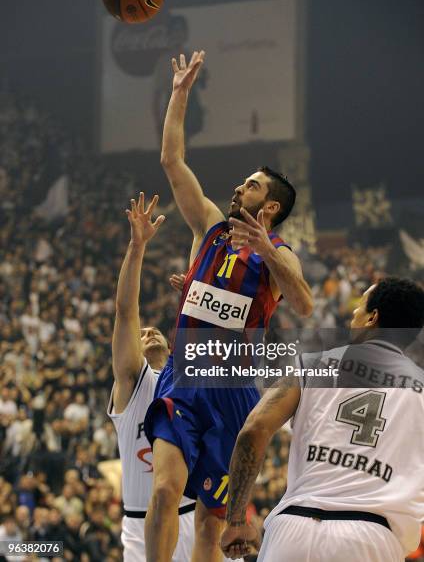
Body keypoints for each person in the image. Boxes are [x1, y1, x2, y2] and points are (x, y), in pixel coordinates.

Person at [144, 51, 313, 562]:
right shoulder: (212, 227)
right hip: (182, 377)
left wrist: (266, 249)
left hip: (229, 390)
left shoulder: (279, 254)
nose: (241, 185)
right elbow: (172, 162)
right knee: (164, 491)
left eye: (253, 184)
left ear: (270, 208)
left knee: (209, 527)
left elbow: (304, 304)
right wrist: (178, 94)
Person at [221, 277, 424, 562]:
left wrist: (236, 520)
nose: (354, 312)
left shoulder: (312, 364)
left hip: (292, 530)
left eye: (361, 305)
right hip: (370, 539)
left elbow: (253, 430)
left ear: (372, 318)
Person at [107, 192, 195, 562]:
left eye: (155, 330)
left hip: (196, 516)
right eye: (142, 335)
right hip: (142, 526)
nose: (149, 332)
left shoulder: (187, 378)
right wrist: (136, 246)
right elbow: (126, 311)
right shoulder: (131, 383)